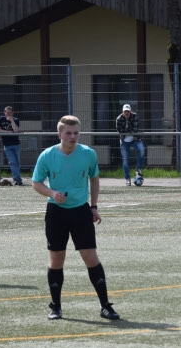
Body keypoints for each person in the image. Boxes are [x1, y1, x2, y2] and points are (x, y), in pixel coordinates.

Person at [31, 115, 120, 321]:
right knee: (56, 258)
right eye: (68, 133)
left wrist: (94, 206)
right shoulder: (47, 155)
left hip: (81, 211)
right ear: (59, 134)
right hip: (56, 213)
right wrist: (52, 193)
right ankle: (56, 307)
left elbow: (94, 179)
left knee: (91, 257)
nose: (73, 137)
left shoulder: (88, 154)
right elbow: (36, 183)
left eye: (76, 133)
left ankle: (105, 306)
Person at [116, 104, 145, 186]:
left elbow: (135, 129)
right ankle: (127, 178)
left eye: (128, 111)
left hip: (135, 139)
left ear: (130, 111)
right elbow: (119, 130)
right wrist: (128, 131)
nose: (126, 113)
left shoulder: (135, 116)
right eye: (125, 111)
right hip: (124, 140)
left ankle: (138, 169)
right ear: (122, 112)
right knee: (125, 160)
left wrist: (127, 131)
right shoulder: (119, 119)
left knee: (142, 150)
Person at [0, 106, 24, 185]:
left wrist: (11, 120)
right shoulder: (1, 119)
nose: (9, 114)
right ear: (4, 112)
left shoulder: (16, 120)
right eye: (7, 112)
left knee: (17, 162)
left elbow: (15, 130)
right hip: (7, 145)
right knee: (12, 162)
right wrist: (7, 132)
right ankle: (17, 179)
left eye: (10, 112)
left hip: (16, 144)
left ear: (12, 113)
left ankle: (17, 178)